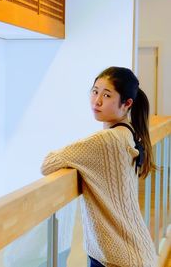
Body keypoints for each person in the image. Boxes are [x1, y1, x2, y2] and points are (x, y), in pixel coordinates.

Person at [41, 67, 158, 267]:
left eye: (107, 95)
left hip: (118, 259)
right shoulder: (127, 132)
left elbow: (48, 164)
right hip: (133, 253)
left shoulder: (106, 140)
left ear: (127, 103)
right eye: (95, 91)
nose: (97, 101)